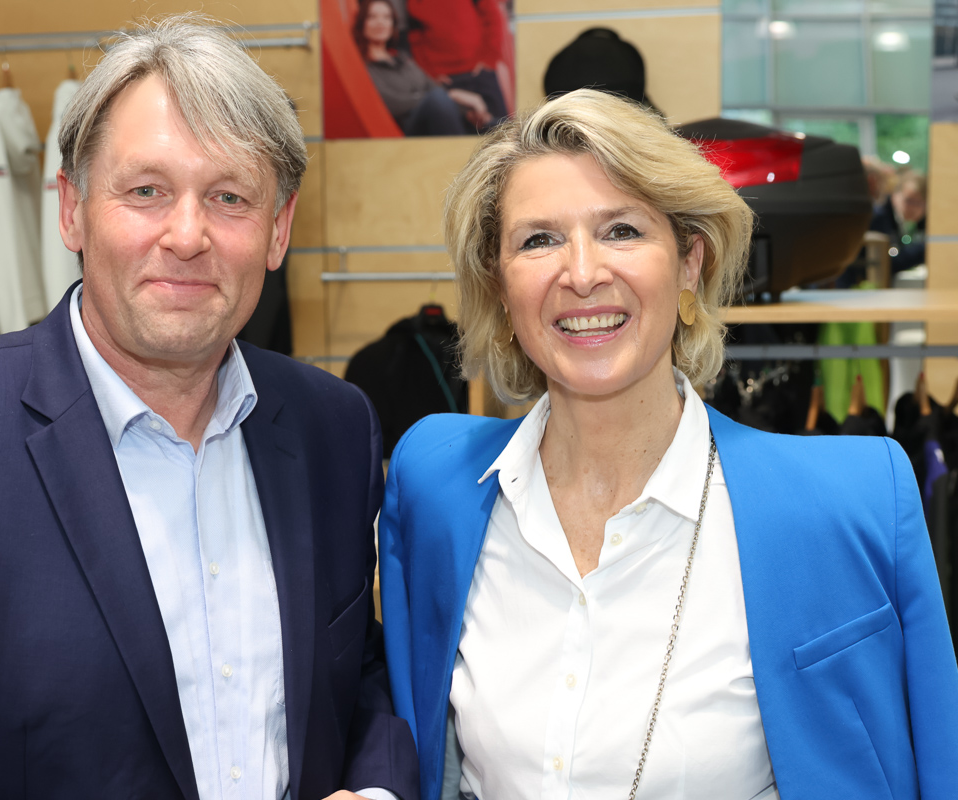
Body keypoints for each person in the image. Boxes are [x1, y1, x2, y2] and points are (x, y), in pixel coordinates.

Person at [0, 15, 418, 800]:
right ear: (70, 209)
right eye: (146, 191)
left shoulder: (334, 428)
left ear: (278, 230)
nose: (187, 235)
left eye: (229, 197)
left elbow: (356, 674)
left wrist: (376, 791)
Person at [377, 89, 958, 800]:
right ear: (500, 285)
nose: (582, 273)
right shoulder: (434, 483)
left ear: (689, 263)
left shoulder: (850, 500)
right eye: (539, 240)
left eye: (621, 230)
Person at [353, 0, 489, 136]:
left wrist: (466, 111)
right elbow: (392, 104)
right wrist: (452, 95)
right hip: (407, 130)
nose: (380, 22)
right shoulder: (363, 66)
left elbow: (433, 87)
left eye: (386, 17)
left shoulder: (403, 59)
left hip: (438, 119)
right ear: (362, 23)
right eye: (372, 17)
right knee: (437, 99)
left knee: (491, 123)